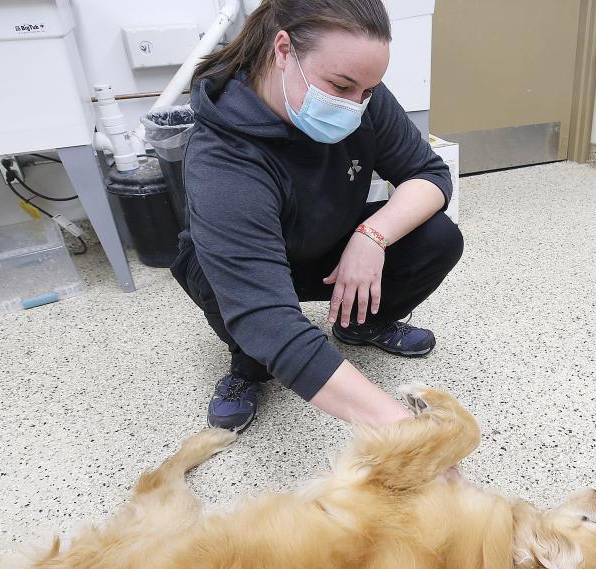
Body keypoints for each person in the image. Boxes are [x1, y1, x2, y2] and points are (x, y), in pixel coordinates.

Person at [171, 0, 462, 433]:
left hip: (329, 241)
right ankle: (249, 369)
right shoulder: (223, 157)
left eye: (367, 91)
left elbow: (429, 175)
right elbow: (263, 313)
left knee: (438, 236)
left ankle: (363, 325)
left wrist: (372, 236)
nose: (355, 105)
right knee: (255, 323)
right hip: (246, 269)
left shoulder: (361, 93)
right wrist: (404, 431)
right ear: (284, 50)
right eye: (341, 86)